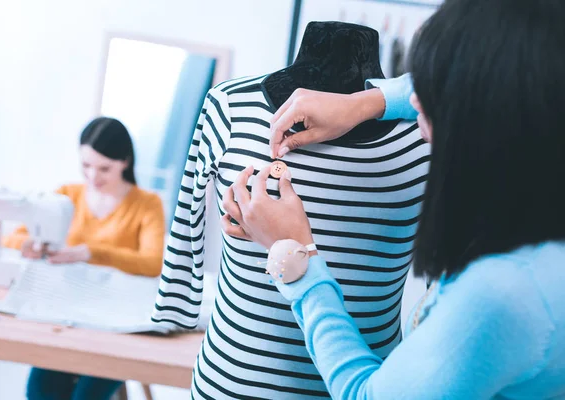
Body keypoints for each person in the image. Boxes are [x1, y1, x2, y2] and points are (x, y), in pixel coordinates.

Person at [222, 0, 565, 398]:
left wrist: (295, 254)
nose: (416, 101)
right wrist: (365, 103)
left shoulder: (502, 294)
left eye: (436, 91)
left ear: (489, 115)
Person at [3, 117, 166, 400]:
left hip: (118, 320)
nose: (93, 176)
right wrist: (31, 245)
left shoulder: (147, 203)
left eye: (104, 168)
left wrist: (91, 252)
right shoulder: (67, 194)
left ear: (125, 161)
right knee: (40, 392)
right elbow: (11, 237)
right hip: (70, 316)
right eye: (86, 166)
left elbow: (152, 263)